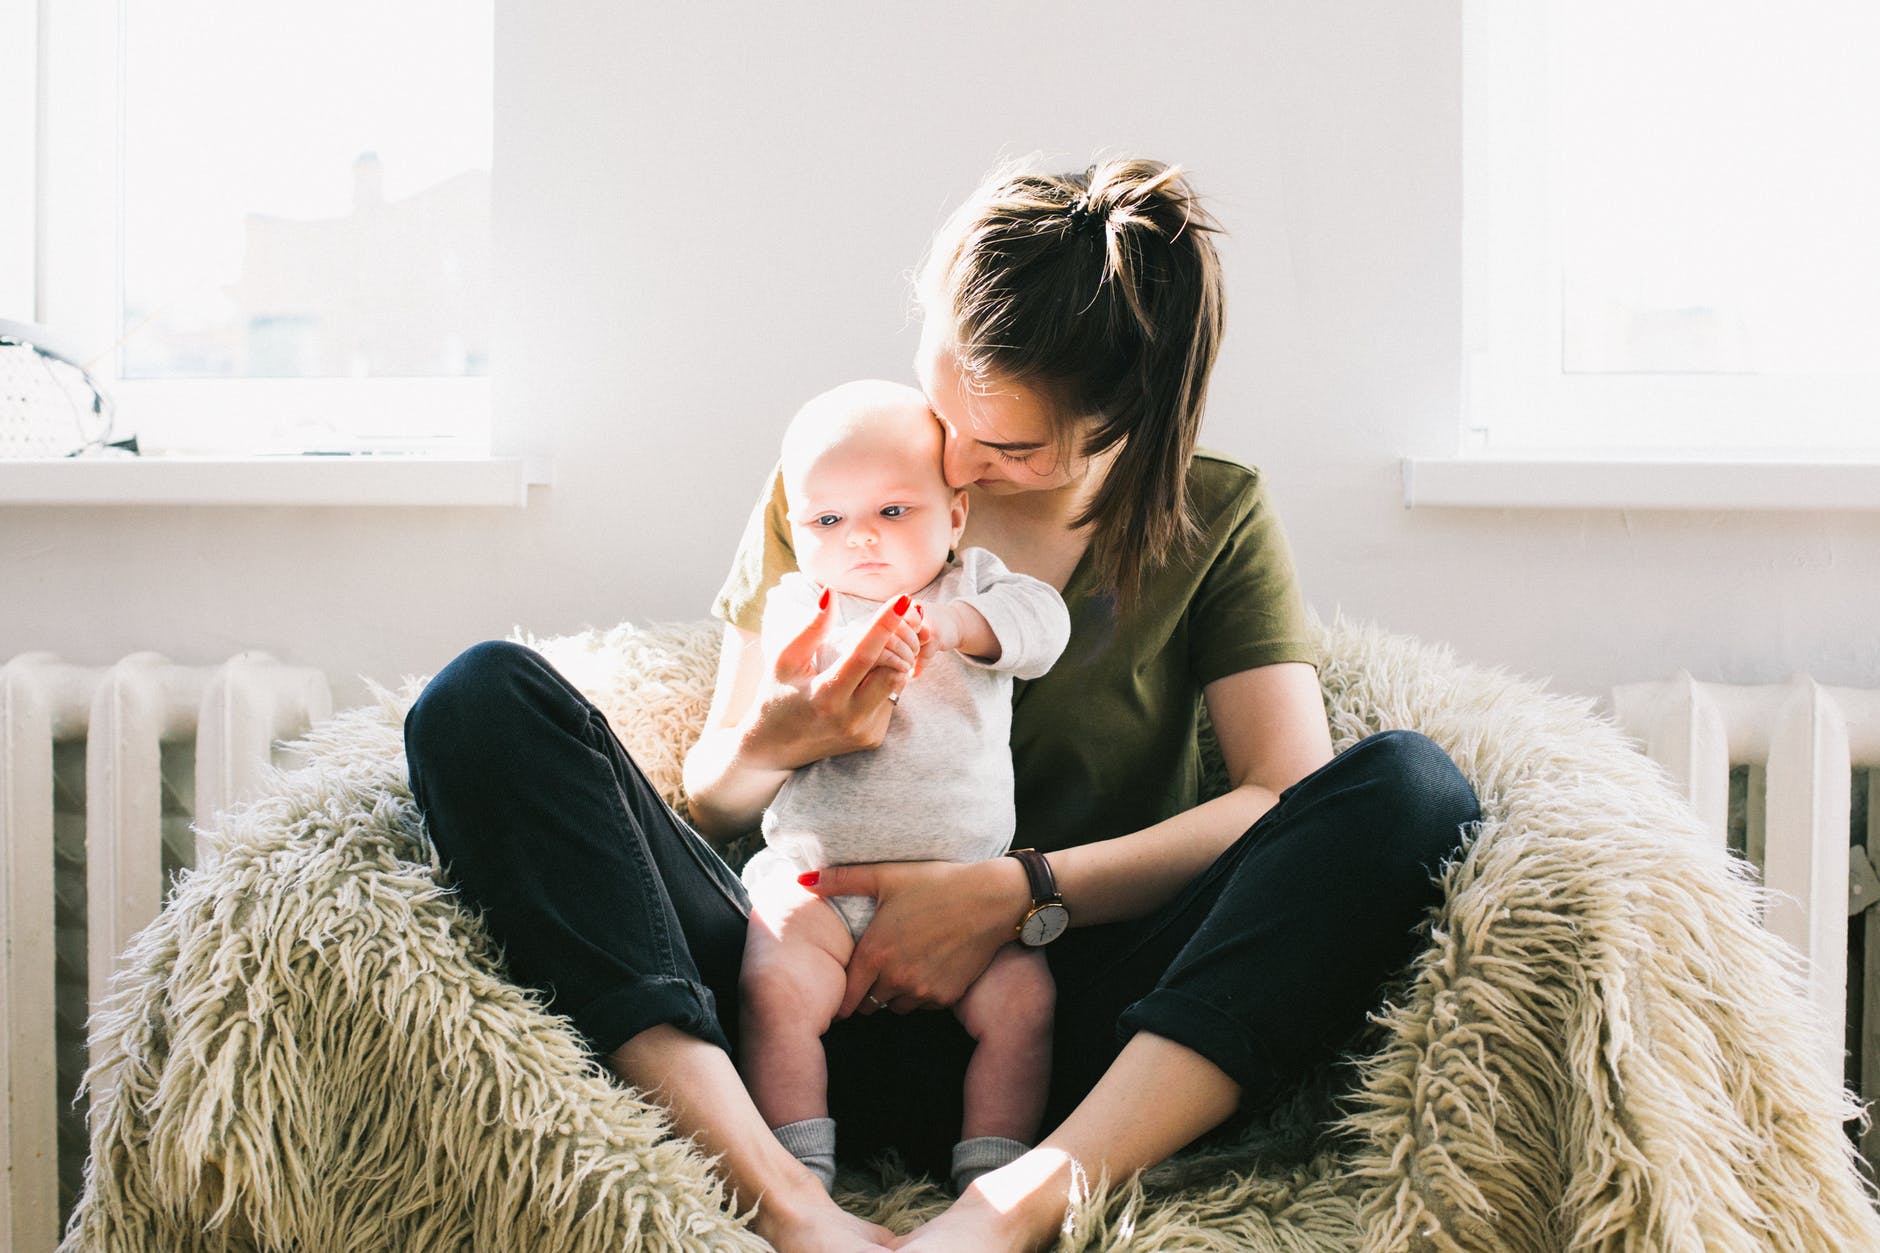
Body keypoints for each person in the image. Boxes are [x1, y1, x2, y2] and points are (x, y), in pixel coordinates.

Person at [403, 156, 1481, 1253]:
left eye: (1008, 447)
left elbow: (1276, 796)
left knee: (1410, 789)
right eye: (942, 397)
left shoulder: (1215, 514)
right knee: (478, 700)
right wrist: (780, 739)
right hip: (788, 988)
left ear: (1123, 421)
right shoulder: (845, 477)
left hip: (1059, 1027)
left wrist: (1015, 894)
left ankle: (1014, 1205)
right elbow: (713, 806)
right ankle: (775, 1192)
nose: (953, 461)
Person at [738, 379, 1070, 1199]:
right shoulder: (802, 602)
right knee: (770, 987)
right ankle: (798, 1170)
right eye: (828, 520)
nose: (861, 541)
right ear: (795, 528)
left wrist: (958, 628)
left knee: (1025, 1003)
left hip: (968, 896)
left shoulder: (974, 589)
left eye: (893, 512)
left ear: (954, 516)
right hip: (819, 887)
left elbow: (1045, 626)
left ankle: (990, 1176)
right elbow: (778, 670)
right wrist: (813, 652)